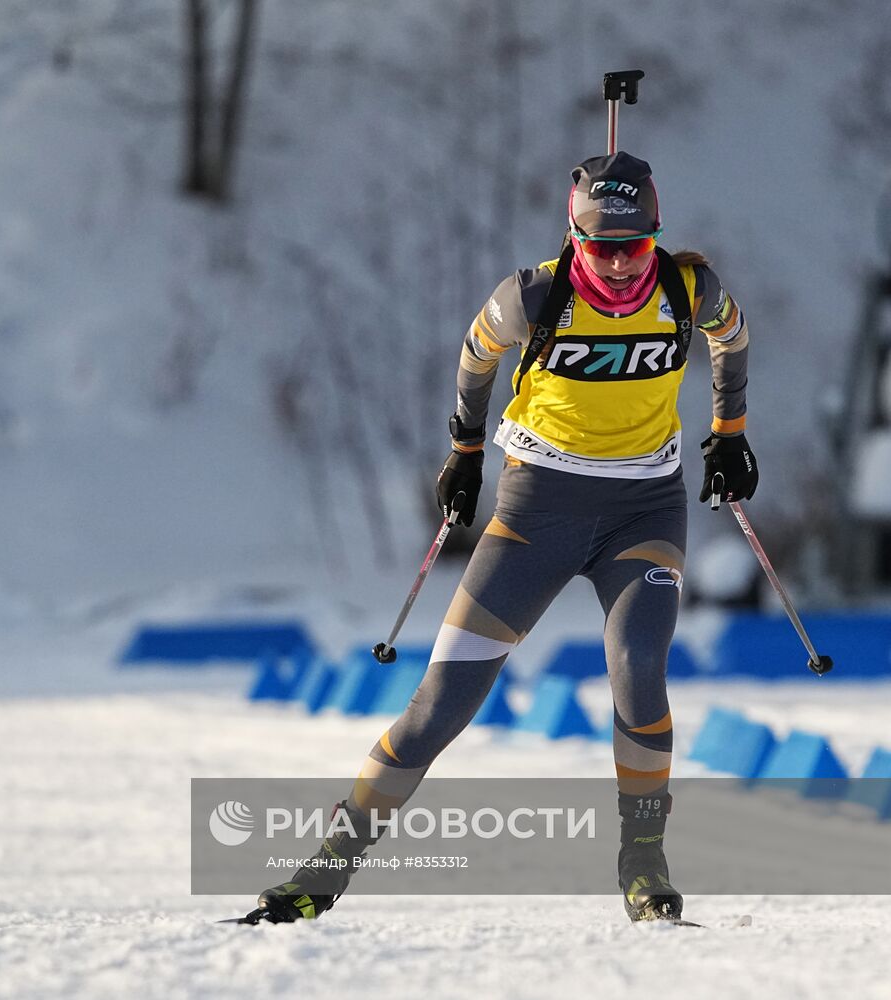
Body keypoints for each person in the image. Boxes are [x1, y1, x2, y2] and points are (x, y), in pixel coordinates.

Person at [254, 151, 758, 924]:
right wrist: (462, 450)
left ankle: (642, 860)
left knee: (637, 666)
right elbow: (474, 357)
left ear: (655, 235)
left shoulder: (689, 288)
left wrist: (728, 433)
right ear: (573, 237)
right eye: (601, 246)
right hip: (534, 513)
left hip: (643, 513)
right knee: (440, 703)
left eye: (635, 245)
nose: (620, 264)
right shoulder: (532, 293)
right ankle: (325, 870)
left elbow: (732, 339)